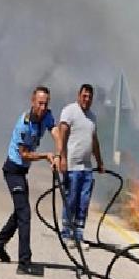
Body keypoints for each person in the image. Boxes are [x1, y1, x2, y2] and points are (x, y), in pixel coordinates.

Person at [0, 86, 60, 276]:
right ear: (32, 101)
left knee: (19, 213)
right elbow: (25, 154)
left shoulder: (47, 116)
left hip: (22, 172)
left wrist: (59, 155)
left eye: (46, 104)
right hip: (13, 170)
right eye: (40, 103)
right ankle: (24, 262)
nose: (43, 108)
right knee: (25, 214)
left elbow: (57, 133)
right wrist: (46, 156)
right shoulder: (24, 124)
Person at [58, 84, 104, 248]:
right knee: (71, 199)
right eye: (84, 96)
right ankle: (66, 233)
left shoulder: (92, 117)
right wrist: (62, 158)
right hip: (71, 166)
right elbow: (62, 135)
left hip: (86, 168)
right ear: (79, 95)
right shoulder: (70, 111)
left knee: (83, 202)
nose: (87, 99)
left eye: (90, 97)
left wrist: (99, 162)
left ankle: (78, 234)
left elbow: (94, 141)